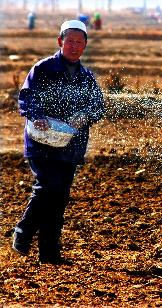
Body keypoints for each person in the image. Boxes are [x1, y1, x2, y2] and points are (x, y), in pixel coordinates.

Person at [12, 20, 105, 264]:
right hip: (41, 143)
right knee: (48, 187)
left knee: (59, 197)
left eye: (79, 42)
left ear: (85, 46)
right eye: (70, 41)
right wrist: (38, 116)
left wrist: (84, 115)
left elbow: (97, 106)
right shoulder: (43, 69)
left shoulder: (86, 77)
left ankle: (49, 253)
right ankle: (23, 232)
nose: (74, 46)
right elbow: (26, 97)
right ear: (60, 42)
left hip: (70, 147)